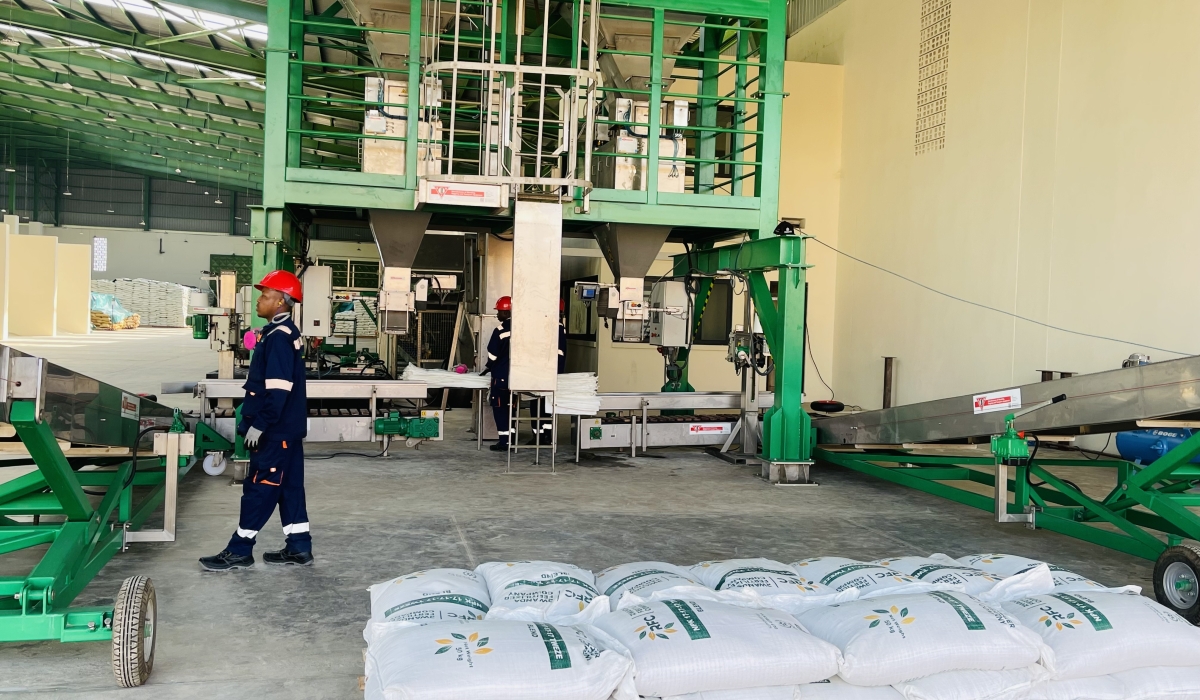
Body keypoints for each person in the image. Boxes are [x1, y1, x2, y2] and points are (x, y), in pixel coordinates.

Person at [200, 270, 311, 571]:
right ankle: (299, 547)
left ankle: (240, 549)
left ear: (280, 302)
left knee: (260, 489)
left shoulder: (279, 338)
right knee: (289, 490)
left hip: (275, 432)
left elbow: (278, 389)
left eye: (264, 296)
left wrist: (261, 423)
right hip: (286, 431)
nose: (259, 301)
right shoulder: (280, 333)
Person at [485, 296, 512, 452]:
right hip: (518, 378)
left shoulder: (500, 331)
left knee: (500, 408)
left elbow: (492, 355)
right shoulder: (523, 330)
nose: (497, 315)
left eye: (499, 311)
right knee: (512, 409)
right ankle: (512, 438)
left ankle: (504, 441)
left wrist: (488, 366)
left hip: (501, 378)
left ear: (506, 312)